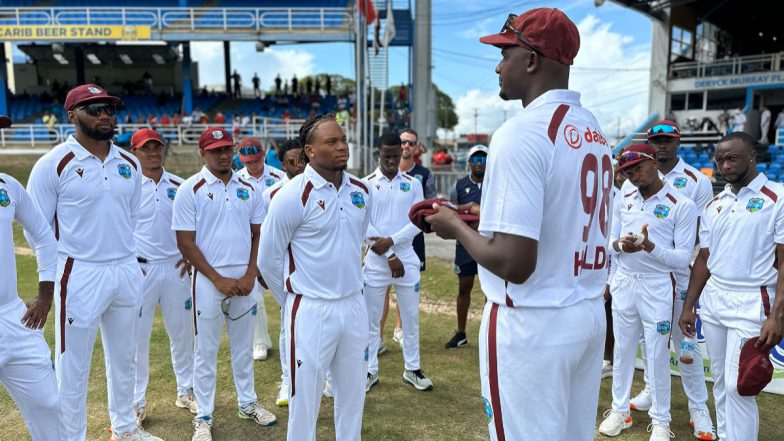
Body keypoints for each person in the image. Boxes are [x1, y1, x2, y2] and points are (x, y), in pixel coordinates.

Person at [426, 9, 608, 440]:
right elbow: (559, 216)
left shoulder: (521, 131)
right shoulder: (592, 129)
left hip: (533, 322)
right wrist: (481, 218)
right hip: (586, 314)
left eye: (505, 52)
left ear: (530, 60)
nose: (497, 65)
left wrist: (455, 227)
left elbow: (513, 263)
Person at [26, 85, 162, 440]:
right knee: (72, 367)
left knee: (125, 358)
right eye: (94, 108)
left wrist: (122, 258)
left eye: (109, 108)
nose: (105, 115)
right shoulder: (53, 164)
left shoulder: (130, 163)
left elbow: (128, 217)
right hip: (79, 272)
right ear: (72, 116)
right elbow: (37, 230)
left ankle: (126, 429)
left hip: (124, 269)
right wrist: (56, 271)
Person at [258, 114, 371, 441]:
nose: (342, 147)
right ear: (309, 150)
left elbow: (356, 241)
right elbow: (268, 260)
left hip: (353, 305)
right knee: (304, 400)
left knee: (352, 396)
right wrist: (294, 300)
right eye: (331, 142)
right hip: (310, 309)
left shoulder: (361, 191)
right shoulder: (292, 195)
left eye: (343, 139)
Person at [172, 127, 277, 441]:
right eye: (216, 150)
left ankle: (247, 402)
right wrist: (217, 278)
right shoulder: (191, 189)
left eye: (227, 149)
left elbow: (258, 234)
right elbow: (185, 243)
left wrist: (249, 275)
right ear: (203, 153)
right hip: (207, 281)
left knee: (243, 347)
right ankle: (203, 416)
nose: (223, 155)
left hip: (244, 281)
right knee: (206, 351)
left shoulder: (249, 188)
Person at [679, 131, 784, 441]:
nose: (724, 164)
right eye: (720, 159)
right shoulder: (715, 204)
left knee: (739, 386)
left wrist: (777, 315)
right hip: (713, 302)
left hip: (753, 300)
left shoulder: (777, 198)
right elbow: (704, 260)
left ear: (752, 157)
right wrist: (689, 306)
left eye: (732, 157)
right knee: (720, 382)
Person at [598, 144, 697, 441]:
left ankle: (661, 421)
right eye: (627, 171)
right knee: (622, 351)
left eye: (638, 168)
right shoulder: (623, 195)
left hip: (657, 285)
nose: (632, 176)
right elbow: (607, 243)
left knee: (656, 356)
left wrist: (648, 245)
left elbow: (682, 259)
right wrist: (620, 246)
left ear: (654, 163)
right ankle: (619, 411)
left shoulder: (681, 204)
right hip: (626, 282)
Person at [626, 120, 716, 440]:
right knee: (649, 341)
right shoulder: (638, 174)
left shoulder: (696, 181)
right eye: (655, 140)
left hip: (678, 273)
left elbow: (701, 237)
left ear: (678, 142)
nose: (660, 145)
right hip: (643, 274)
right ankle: (652, 389)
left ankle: (698, 410)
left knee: (685, 344)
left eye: (666, 140)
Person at [129, 128, 197, 427]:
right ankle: (136, 403)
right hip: (140, 270)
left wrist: (191, 255)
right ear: (135, 152)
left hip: (175, 268)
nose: (154, 152)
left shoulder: (180, 186)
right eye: (146, 148)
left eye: (158, 147)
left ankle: (186, 391)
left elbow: (196, 225)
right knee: (136, 339)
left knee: (182, 334)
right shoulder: (127, 186)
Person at [0, 115, 61, 441]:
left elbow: (43, 235)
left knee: (49, 405)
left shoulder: (7, 185)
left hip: (13, 316)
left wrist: (46, 294)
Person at [363, 132, 432, 392]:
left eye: (396, 155)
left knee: (411, 318)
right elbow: (362, 224)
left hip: (407, 261)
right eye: (387, 155)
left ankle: (412, 369)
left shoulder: (413, 183)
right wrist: (388, 253)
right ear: (378, 153)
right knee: (371, 320)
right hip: (377, 261)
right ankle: (369, 371)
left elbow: (418, 220)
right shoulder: (365, 184)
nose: (392, 160)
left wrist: (391, 242)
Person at [257, 138, 307, 407]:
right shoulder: (271, 195)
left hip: (314, 275)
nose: (299, 166)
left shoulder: (322, 189)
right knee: (289, 324)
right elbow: (268, 242)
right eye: (292, 161)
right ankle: (288, 380)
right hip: (286, 274)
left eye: (303, 159)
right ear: (282, 163)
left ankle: (331, 381)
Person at [380, 128, 437, 350]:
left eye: (411, 143)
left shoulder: (423, 175)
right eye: (403, 142)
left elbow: (429, 209)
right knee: (381, 287)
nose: (406, 146)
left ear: (417, 147)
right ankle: (378, 337)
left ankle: (400, 329)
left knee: (406, 287)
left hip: (412, 242)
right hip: (382, 245)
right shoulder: (376, 177)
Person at [235, 137, 285, 361]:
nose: (252, 166)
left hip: (277, 242)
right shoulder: (236, 180)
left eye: (255, 160)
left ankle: (291, 334)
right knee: (254, 294)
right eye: (248, 162)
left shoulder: (278, 177)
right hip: (249, 243)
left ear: (263, 155)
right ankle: (260, 342)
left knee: (286, 291)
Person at [444, 144, 487, 349]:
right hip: (465, 245)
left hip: (490, 244)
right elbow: (453, 214)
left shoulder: (497, 183)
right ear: (469, 162)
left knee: (492, 292)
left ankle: (490, 335)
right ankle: (461, 333)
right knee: (464, 288)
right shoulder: (459, 186)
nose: (479, 163)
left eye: (483, 159)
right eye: (476, 159)